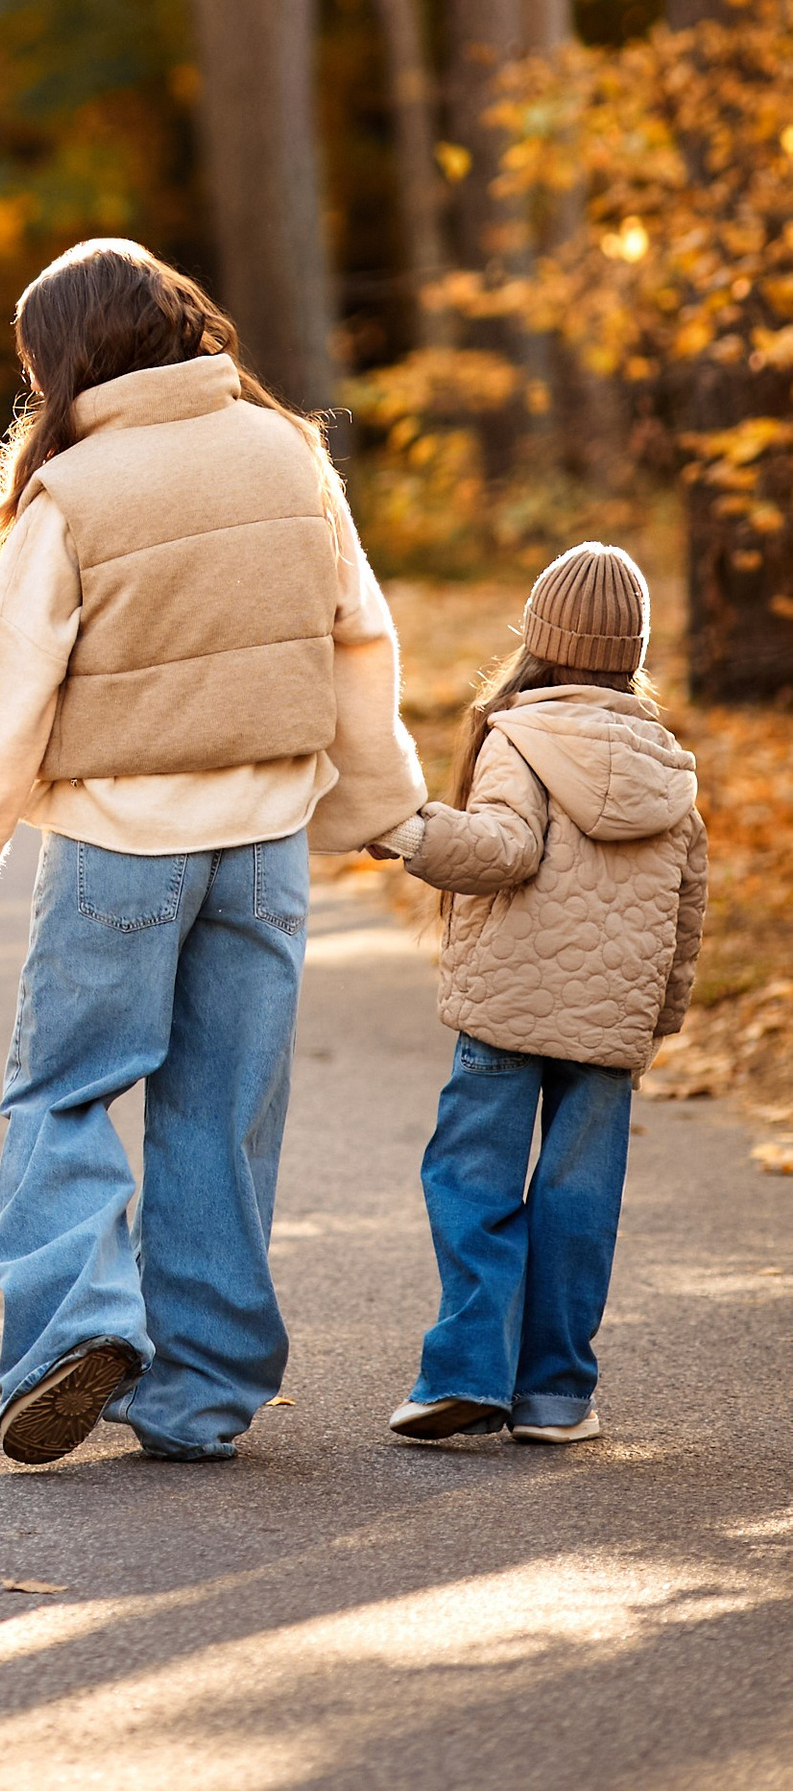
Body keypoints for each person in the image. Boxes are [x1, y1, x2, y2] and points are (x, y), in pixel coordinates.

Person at [0, 234, 424, 1468]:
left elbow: (3, 692)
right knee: (222, 1115)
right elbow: (359, 640)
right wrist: (379, 806)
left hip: (120, 845)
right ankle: (202, 1394)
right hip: (267, 850)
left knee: (63, 1091)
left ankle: (79, 1326)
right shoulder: (289, 454)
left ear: (64, 361)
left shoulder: (76, 492)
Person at [375, 541, 704, 1448]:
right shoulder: (669, 769)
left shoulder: (519, 737)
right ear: (633, 652)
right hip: (610, 1026)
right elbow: (688, 915)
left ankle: (468, 1374)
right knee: (579, 1201)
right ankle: (557, 1395)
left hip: (504, 1009)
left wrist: (411, 833)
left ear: (539, 639)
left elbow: (503, 852)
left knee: (470, 1179)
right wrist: (655, 1022)